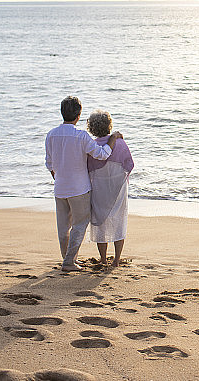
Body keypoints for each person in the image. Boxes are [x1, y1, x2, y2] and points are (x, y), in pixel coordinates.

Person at [45, 96, 122, 272]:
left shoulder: (51, 134)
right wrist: (113, 138)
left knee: (63, 227)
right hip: (79, 189)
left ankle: (67, 259)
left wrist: (59, 179)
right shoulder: (81, 136)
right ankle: (69, 262)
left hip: (60, 188)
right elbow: (102, 154)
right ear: (78, 115)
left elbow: (49, 164)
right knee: (79, 225)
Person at [86, 109, 134, 267]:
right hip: (118, 188)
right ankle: (117, 260)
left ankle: (103, 258)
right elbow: (129, 165)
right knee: (119, 222)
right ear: (109, 125)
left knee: (100, 223)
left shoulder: (92, 146)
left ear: (92, 128)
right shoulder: (120, 143)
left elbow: (88, 170)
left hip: (99, 189)